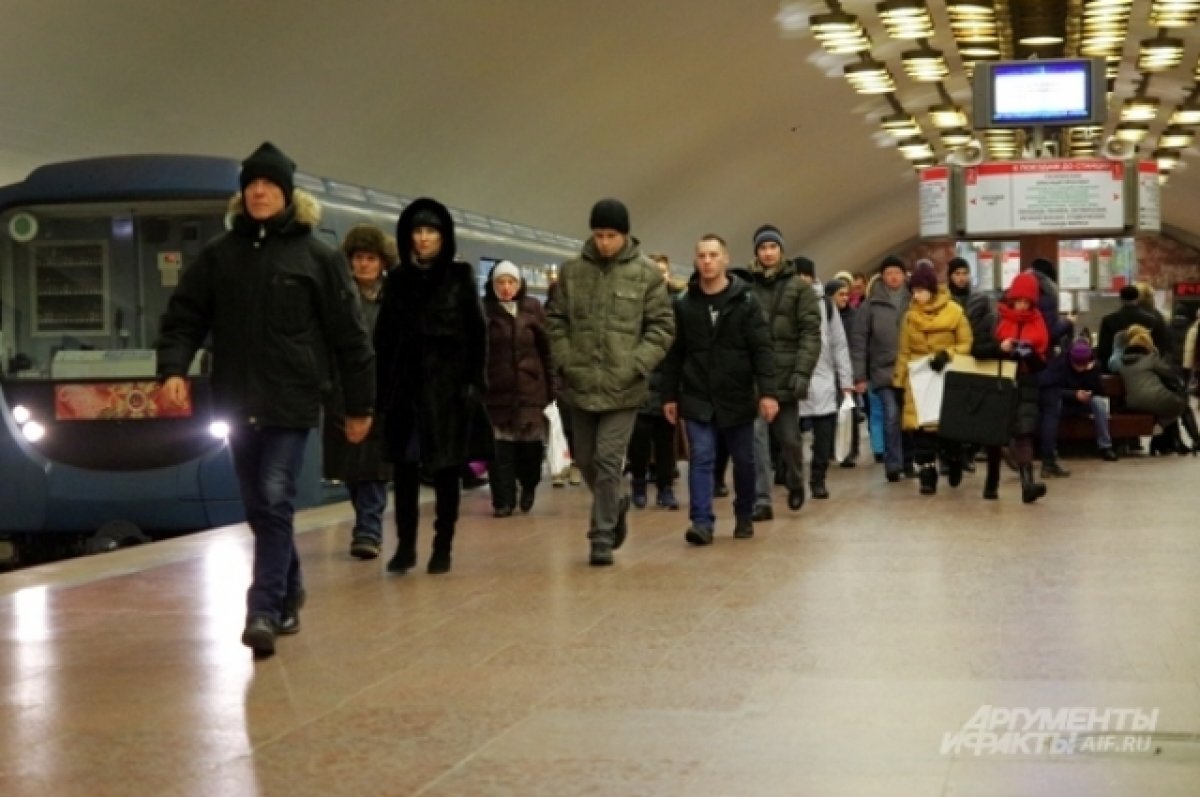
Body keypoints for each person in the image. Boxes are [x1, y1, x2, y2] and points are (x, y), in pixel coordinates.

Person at [156, 142, 375, 658]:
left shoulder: (317, 258)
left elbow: (350, 338)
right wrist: (172, 368)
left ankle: (263, 609)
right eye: (251, 184)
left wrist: (360, 407)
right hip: (235, 398)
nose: (258, 192)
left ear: (286, 194)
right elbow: (185, 316)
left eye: (269, 184)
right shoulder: (219, 256)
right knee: (259, 505)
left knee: (275, 496)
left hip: (292, 401)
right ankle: (290, 588)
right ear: (242, 194)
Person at [545, 199, 675, 566]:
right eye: (598, 235)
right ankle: (614, 502)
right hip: (581, 385)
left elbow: (662, 327)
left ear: (625, 234)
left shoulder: (646, 274)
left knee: (607, 460)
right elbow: (555, 321)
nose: (604, 243)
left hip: (624, 388)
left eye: (611, 236)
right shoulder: (572, 273)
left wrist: (638, 363)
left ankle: (600, 535)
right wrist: (567, 360)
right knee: (585, 458)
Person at [375, 197, 491, 576]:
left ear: (444, 238)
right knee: (404, 471)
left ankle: (443, 546)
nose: (424, 239)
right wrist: (381, 392)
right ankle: (406, 547)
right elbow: (384, 338)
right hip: (405, 392)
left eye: (431, 232)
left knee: (445, 471)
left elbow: (476, 334)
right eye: (417, 232)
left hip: (447, 391)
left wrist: (474, 382)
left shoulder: (459, 278)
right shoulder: (396, 281)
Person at [661, 234, 777, 545]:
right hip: (698, 394)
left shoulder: (746, 301)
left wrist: (767, 392)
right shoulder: (684, 305)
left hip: (737, 394)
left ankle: (743, 512)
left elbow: (762, 349)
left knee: (744, 460)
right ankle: (701, 522)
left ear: (725, 259)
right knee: (701, 457)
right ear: (696, 261)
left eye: (713, 255)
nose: (707, 261)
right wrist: (670, 395)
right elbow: (675, 353)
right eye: (702, 256)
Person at [324, 224, 398, 561]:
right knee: (352, 467)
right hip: (344, 391)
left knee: (375, 466)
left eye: (370, 258)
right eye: (358, 258)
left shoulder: (398, 299)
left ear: (383, 262)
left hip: (385, 392)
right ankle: (365, 521)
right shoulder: (337, 297)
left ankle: (368, 529)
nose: (364, 264)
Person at [745, 225, 821, 520]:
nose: (767, 253)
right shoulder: (746, 288)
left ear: (781, 250)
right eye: (762, 248)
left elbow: (811, 334)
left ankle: (794, 479)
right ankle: (762, 499)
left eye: (772, 247)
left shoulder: (799, 289)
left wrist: (802, 373)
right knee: (756, 439)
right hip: (754, 377)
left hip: (787, 375)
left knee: (789, 438)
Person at [892, 261, 972, 495]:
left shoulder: (954, 312)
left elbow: (966, 343)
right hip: (918, 377)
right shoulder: (909, 317)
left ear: (932, 289)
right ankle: (928, 474)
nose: (917, 295)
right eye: (914, 291)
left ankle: (954, 458)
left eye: (921, 290)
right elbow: (904, 351)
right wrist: (899, 381)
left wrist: (947, 354)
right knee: (921, 431)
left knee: (947, 428)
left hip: (947, 375)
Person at [483, 261, 554, 517]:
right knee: (500, 449)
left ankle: (529, 485)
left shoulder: (533, 309)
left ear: (519, 284)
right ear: (492, 286)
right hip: (496, 393)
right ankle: (503, 501)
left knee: (529, 449)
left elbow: (547, 350)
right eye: (500, 282)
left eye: (511, 282)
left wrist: (552, 388)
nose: (506, 287)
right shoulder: (484, 311)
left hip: (531, 391)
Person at [627, 253, 684, 510]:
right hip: (638, 381)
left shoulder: (678, 305)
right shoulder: (633, 304)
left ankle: (665, 488)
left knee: (665, 441)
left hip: (667, 384)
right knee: (638, 439)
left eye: (663, 270)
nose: (659, 275)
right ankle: (638, 484)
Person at [793, 258, 852, 499]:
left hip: (824, 378)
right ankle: (792, 475)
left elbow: (839, 344)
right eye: (799, 275)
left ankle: (818, 478)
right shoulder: (786, 301)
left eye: (806, 275)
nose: (803, 280)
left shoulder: (826, 305)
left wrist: (846, 381)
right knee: (790, 436)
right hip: (794, 379)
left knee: (823, 436)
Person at [851, 255, 912, 482]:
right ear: (882, 277)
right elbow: (859, 342)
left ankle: (908, 460)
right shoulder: (870, 306)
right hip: (882, 371)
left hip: (910, 371)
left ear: (904, 275)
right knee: (891, 415)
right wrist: (859, 376)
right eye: (888, 273)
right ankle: (893, 464)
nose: (893, 277)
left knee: (909, 418)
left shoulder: (914, 300)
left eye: (897, 272)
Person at [994, 272, 1050, 502]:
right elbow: (987, 348)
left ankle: (1027, 484)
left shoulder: (1038, 321)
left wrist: (1029, 353)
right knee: (1000, 431)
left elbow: (1042, 361)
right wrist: (1002, 348)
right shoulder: (1000, 319)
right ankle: (994, 480)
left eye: (1027, 301)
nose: (1023, 305)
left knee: (1024, 431)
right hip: (1002, 381)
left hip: (1027, 381)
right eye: (1019, 300)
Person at [1118, 324, 1199, 455]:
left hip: (1133, 404)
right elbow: (1169, 374)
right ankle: (1166, 428)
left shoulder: (1122, 364)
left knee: (1168, 401)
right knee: (1182, 403)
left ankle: (1167, 441)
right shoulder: (1150, 359)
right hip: (1154, 400)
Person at [1041, 339, 1119, 461]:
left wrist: (1091, 374)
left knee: (1098, 402)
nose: (1080, 368)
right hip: (1064, 403)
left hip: (1084, 402)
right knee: (1054, 405)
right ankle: (1052, 448)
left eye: (1083, 365)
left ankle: (1105, 446)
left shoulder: (1094, 367)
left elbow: (1100, 391)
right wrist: (1074, 394)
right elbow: (1054, 390)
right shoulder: (1061, 366)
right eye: (1077, 365)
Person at [827, 277, 862, 468]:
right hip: (826, 369)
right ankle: (831, 449)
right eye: (840, 294)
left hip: (847, 369)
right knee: (828, 413)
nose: (845, 298)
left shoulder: (854, 316)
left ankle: (849, 451)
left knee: (849, 410)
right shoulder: (824, 316)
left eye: (847, 294)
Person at [1097, 284, 1171, 373]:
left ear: (1120, 299)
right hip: (1144, 372)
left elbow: (1103, 350)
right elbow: (1160, 347)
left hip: (1117, 372)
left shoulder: (1109, 320)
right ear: (1137, 298)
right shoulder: (1151, 320)